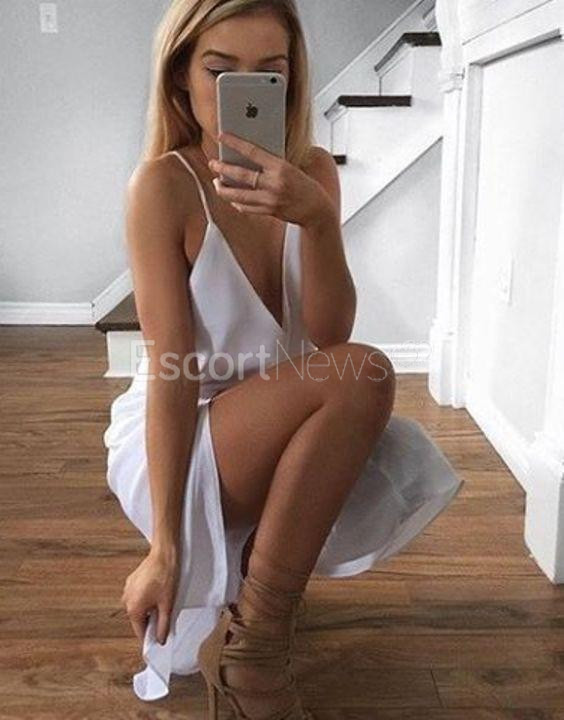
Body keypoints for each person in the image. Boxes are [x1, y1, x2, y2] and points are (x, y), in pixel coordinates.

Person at [102, 0, 463, 717]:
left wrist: (318, 219)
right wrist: (166, 546)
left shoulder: (315, 175)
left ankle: (252, 643)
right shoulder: (163, 187)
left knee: (361, 379)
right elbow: (173, 369)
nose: (244, 91)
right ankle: (257, 654)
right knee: (364, 374)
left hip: (280, 413)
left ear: (292, 82)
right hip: (191, 429)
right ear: (180, 78)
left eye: (270, 73)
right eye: (220, 71)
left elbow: (328, 337)